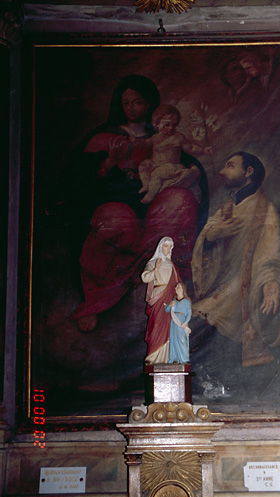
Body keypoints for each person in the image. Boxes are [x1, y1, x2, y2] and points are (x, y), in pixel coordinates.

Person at [66, 75, 207, 332]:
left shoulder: (165, 134)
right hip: (116, 200)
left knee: (181, 200)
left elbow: (187, 162)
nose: (131, 108)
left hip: (153, 201)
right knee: (117, 223)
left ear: (150, 104)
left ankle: (176, 291)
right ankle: (97, 300)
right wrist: (111, 160)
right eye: (126, 102)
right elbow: (83, 181)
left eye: (138, 102)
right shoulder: (106, 136)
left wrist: (189, 173)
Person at [191, 151, 280, 367]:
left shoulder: (265, 209)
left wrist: (270, 281)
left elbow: (273, 252)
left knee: (195, 322)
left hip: (242, 288)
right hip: (219, 284)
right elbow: (206, 238)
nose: (221, 172)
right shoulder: (228, 207)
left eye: (229, 165)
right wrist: (212, 234)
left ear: (248, 171)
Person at [137, 104, 212, 204]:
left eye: (174, 125)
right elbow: (145, 143)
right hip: (155, 165)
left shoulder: (178, 137)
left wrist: (203, 150)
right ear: (157, 123)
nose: (171, 128)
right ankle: (146, 185)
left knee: (157, 174)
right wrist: (136, 141)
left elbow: (190, 148)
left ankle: (150, 195)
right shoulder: (155, 137)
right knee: (143, 165)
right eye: (167, 125)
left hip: (171, 166)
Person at [141, 237, 180, 364]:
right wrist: (155, 270)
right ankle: (153, 357)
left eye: (170, 246)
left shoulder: (171, 265)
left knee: (171, 326)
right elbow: (145, 278)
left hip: (170, 297)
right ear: (160, 247)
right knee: (157, 325)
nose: (167, 248)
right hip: (158, 295)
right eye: (165, 246)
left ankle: (171, 357)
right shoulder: (153, 262)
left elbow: (178, 283)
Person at [165, 282, 192, 364]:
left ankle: (184, 359)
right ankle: (175, 359)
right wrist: (170, 305)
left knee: (182, 340)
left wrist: (185, 322)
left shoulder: (186, 302)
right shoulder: (173, 301)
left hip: (181, 322)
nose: (176, 288)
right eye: (176, 286)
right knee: (174, 339)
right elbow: (166, 310)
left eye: (178, 287)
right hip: (174, 323)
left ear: (182, 289)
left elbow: (189, 313)